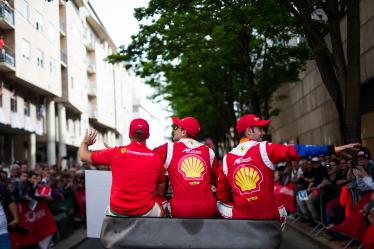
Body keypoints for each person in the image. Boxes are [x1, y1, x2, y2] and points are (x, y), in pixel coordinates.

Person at [216, 114, 360, 219]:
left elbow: (222, 195)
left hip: (242, 217)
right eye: (260, 129)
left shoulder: (227, 159)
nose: (263, 133)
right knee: (281, 212)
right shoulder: (265, 148)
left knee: (219, 205)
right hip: (268, 216)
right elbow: (299, 151)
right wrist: (331, 149)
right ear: (249, 131)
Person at [79, 118, 166, 217]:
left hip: (117, 211)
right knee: (162, 202)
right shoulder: (156, 158)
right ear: (148, 136)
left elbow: (83, 156)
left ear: (129, 135)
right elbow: (161, 185)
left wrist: (85, 143)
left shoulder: (116, 152)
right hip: (145, 212)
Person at [154, 117, 217, 218]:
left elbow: (147, 162)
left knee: (161, 202)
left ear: (183, 132)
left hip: (181, 210)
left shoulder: (168, 148)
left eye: (176, 127)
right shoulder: (209, 152)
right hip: (208, 209)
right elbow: (216, 181)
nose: (174, 130)